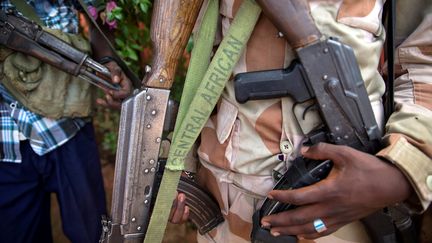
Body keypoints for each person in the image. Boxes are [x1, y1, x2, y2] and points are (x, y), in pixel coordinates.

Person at [169, 0, 432, 242]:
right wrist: (178, 166)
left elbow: (424, 60)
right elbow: (200, 51)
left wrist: (400, 171)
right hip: (222, 212)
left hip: (340, 218)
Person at [0, 1, 132, 242]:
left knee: (94, 235)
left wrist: (106, 64)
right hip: (5, 146)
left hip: (69, 129)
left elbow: (99, 10)